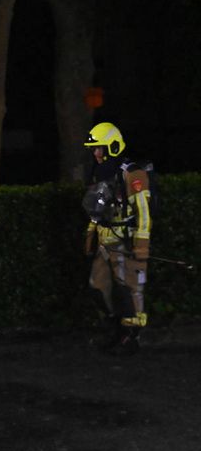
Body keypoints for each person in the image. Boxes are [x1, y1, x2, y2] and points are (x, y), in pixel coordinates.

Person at [82, 121, 152, 354]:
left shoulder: (132, 173)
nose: (96, 153)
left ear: (112, 146)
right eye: (94, 149)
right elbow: (97, 206)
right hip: (107, 239)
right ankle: (115, 328)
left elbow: (143, 212)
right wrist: (92, 231)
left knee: (131, 287)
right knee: (98, 285)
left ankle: (131, 336)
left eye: (100, 148)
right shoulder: (99, 172)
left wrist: (141, 245)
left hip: (127, 240)